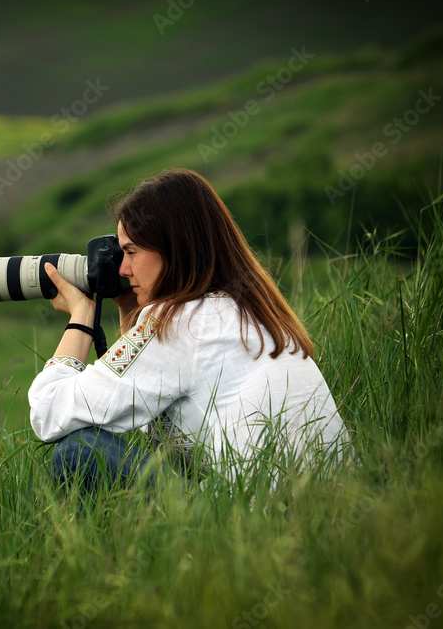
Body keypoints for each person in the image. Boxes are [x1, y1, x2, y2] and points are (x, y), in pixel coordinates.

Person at [28, 168, 349, 493]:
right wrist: (131, 313)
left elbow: (49, 411)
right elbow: (161, 435)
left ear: (172, 248)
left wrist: (82, 315)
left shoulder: (178, 321)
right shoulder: (247, 309)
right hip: (323, 510)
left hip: (256, 522)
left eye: (131, 252)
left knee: (79, 451)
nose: (124, 269)